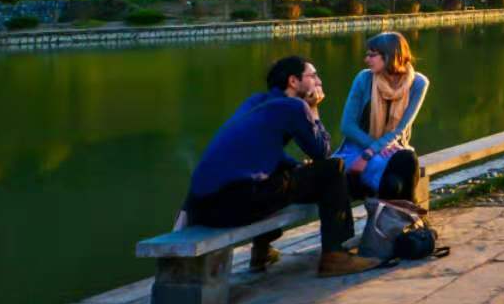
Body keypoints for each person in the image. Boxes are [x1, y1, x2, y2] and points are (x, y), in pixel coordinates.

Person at [184, 56, 376, 276]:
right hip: (235, 203)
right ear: (293, 81)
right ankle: (336, 256)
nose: (319, 81)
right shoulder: (294, 106)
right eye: (313, 76)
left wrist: (295, 166)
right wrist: (313, 109)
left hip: (204, 207)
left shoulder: (255, 102)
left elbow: (260, 152)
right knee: (333, 169)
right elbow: (322, 152)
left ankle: (261, 251)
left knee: (279, 175)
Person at [335, 32, 429, 203]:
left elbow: (401, 128)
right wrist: (373, 149)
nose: (367, 60)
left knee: (406, 161)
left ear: (391, 56)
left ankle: (400, 221)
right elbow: (347, 126)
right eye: (367, 55)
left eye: (372, 55)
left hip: (392, 146)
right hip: (358, 147)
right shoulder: (364, 78)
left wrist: (372, 152)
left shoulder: (418, 83)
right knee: (391, 180)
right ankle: (403, 219)